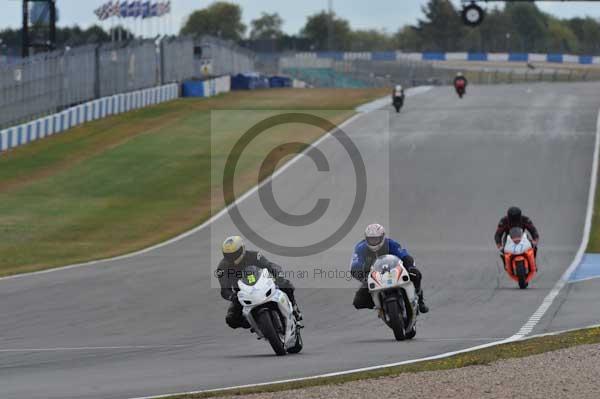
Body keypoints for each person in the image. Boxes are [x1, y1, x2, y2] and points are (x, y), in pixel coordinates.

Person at [216, 236, 302, 329]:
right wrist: (232, 296)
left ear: (242, 249)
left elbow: (270, 266)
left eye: (234, 254)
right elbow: (224, 290)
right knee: (231, 319)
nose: (232, 258)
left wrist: (278, 276)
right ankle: (254, 323)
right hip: (242, 294)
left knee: (285, 285)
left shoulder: (254, 256)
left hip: (263, 284)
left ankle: (294, 309)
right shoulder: (222, 268)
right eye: (228, 255)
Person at [350, 224, 429, 313]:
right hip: (374, 276)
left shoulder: (391, 244)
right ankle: (380, 305)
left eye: (376, 239)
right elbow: (355, 265)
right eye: (371, 239)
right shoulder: (360, 248)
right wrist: (363, 276)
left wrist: (410, 267)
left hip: (394, 271)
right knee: (358, 302)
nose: (374, 242)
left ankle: (420, 299)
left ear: (383, 237)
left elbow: (404, 255)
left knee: (415, 274)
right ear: (366, 239)